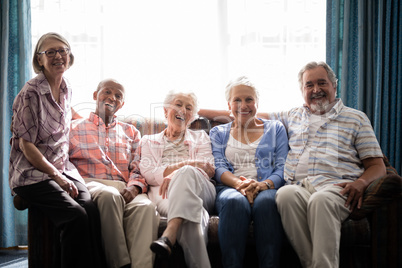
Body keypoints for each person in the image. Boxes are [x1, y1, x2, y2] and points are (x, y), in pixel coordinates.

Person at [199, 61, 387, 268]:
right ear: (302, 90)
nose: (316, 90)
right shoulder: (293, 115)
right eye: (309, 85)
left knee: (319, 201)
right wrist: (193, 109)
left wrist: (361, 183)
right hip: (299, 186)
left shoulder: (356, 118)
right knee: (284, 195)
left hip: (335, 187)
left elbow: (378, 166)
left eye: (322, 83)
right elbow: (246, 114)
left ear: (334, 85)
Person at [9, 32, 105, 268]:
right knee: (75, 217)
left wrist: (92, 123)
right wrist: (57, 177)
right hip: (32, 173)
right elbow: (26, 145)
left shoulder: (66, 87)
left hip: (62, 166)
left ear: (69, 56)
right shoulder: (30, 93)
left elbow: (66, 114)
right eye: (50, 52)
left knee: (91, 209)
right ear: (39, 60)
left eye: (62, 50)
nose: (58, 56)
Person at [69, 79, 160, 268]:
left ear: (122, 104)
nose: (112, 98)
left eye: (118, 96)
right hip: (90, 183)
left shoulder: (132, 132)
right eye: (107, 92)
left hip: (124, 187)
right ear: (95, 95)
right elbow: (63, 162)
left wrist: (135, 188)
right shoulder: (73, 128)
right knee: (108, 195)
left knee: (146, 208)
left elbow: (138, 166)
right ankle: (120, 265)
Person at [208, 76, 289, 268]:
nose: (243, 105)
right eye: (237, 100)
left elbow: (283, 166)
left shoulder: (275, 128)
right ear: (229, 104)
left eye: (249, 99)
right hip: (229, 187)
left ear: (257, 103)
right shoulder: (218, 132)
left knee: (267, 202)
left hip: (268, 186)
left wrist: (262, 185)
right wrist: (239, 184)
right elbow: (217, 167)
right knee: (234, 201)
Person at [139, 90, 216, 268]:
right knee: (193, 218)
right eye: (178, 104)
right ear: (166, 111)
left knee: (187, 173)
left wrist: (177, 172)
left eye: (189, 108)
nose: (183, 110)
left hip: (202, 190)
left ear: (192, 117)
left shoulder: (201, 137)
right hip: (164, 193)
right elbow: (148, 173)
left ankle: (169, 233)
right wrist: (189, 164)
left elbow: (208, 169)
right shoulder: (148, 141)